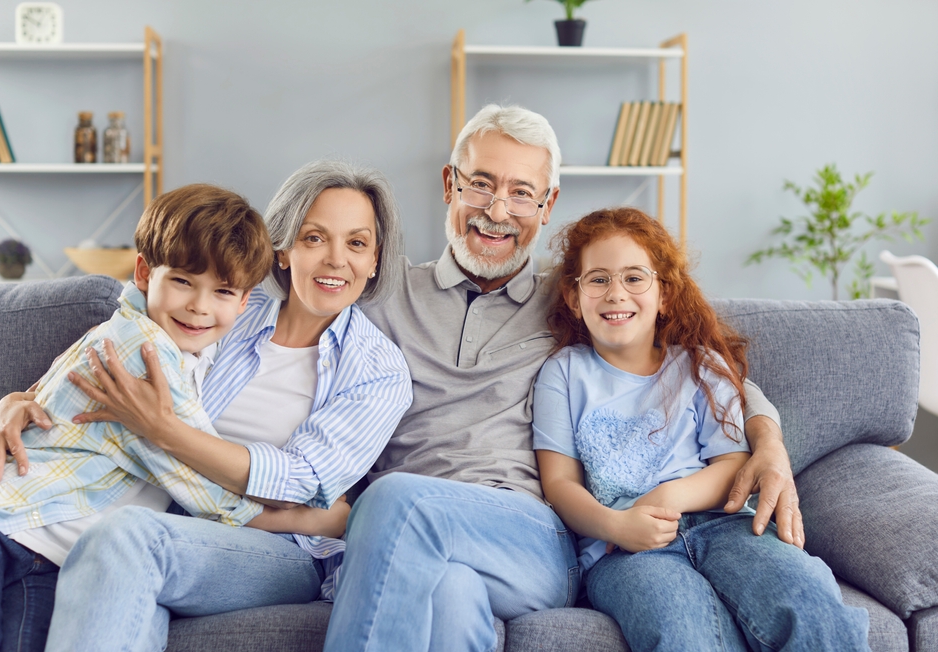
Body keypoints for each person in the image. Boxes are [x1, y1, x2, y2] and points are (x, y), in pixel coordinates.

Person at [323, 104, 804, 651]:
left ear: (548, 204)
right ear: (448, 185)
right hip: (417, 533)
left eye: (522, 193)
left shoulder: (581, 296)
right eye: (480, 184)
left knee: (389, 501)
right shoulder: (383, 295)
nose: (497, 211)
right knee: (449, 592)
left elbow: (699, 364)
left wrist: (769, 442)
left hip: (527, 535)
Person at [0, 161, 412, 652]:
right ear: (284, 247)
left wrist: (164, 429)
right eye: (315, 237)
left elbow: (302, 486)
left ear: (376, 259)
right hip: (166, 521)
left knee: (127, 536)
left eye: (357, 243)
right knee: (126, 556)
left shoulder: (378, 368)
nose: (336, 259)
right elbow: (99, 361)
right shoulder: (228, 306)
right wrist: (15, 402)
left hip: (280, 548)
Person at [533, 207, 869, 651]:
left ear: (665, 294)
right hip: (625, 553)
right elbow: (558, 484)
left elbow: (733, 464)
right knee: (680, 628)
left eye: (635, 278)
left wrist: (671, 496)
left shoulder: (699, 365)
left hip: (724, 527)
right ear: (575, 298)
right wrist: (617, 526)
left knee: (808, 597)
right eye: (598, 279)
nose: (616, 293)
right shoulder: (562, 373)